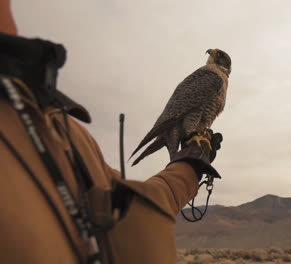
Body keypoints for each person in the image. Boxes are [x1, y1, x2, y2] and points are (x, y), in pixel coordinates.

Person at [0, 1, 223, 263]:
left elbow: (138, 208)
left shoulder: (61, 127)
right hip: (174, 123)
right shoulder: (209, 77)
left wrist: (189, 165)